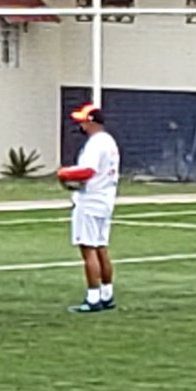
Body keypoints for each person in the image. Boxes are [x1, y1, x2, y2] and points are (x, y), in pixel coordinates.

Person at [57, 103, 119, 313]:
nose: (81, 125)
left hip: (90, 199)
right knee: (101, 246)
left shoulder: (96, 144)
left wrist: (65, 174)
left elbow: (87, 171)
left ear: (91, 122)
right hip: (105, 198)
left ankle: (93, 296)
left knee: (88, 248)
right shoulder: (109, 141)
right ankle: (106, 293)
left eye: (84, 121)